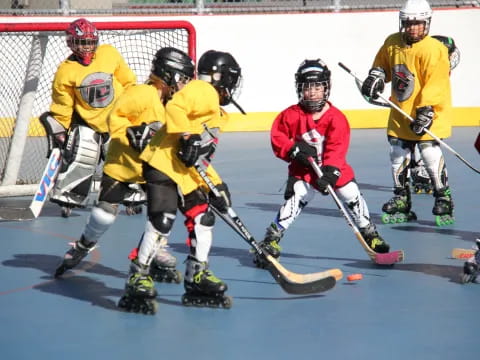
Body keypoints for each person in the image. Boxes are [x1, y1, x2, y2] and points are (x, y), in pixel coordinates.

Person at [117, 50, 243, 314]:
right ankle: (138, 275)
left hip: (185, 174)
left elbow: (199, 158)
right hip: (162, 164)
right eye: (231, 80)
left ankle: (197, 274)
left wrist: (217, 186)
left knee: (203, 218)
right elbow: (175, 107)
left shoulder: (217, 113)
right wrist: (187, 135)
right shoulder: (202, 90)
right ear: (220, 78)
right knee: (162, 218)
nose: (233, 88)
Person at [53, 47, 195, 281]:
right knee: (105, 213)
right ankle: (83, 245)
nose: (183, 85)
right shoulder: (141, 94)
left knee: (162, 211)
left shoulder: (174, 103)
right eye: (181, 79)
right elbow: (115, 118)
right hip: (123, 165)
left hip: (154, 167)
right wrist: (132, 131)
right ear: (167, 75)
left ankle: (153, 251)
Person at [253, 58, 390, 268]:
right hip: (305, 171)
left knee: (350, 193)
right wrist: (293, 150)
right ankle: (271, 238)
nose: (313, 92)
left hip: (333, 169)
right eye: (307, 87)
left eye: (318, 86)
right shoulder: (290, 115)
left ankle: (369, 232)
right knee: (298, 195)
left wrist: (331, 172)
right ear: (299, 89)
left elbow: (337, 147)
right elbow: (278, 138)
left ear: (327, 87)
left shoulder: (336, 118)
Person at [360, 0, 455, 226]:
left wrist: (426, 110)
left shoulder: (434, 49)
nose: (413, 27)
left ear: (427, 23)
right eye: (409, 23)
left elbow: (437, 82)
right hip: (401, 112)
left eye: (418, 23)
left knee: (429, 153)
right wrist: (376, 77)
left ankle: (443, 196)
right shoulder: (393, 43)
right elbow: (383, 64)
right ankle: (402, 197)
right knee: (397, 154)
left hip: (429, 113)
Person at [39, 18, 139, 218]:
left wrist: (134, 111)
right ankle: (70, 194)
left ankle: (131, 193)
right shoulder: (66, 71)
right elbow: (63, 104)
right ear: (71, 42)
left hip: (116, 119)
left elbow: (128, 82)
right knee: (82, 155)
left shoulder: (109, 54)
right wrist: (61, 128)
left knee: (124, 157)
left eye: (91, 42)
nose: (87, 47)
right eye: (82, 42)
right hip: (87, 122)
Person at [410, 34, 460, 195]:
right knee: (422, 138)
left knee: (427, 139)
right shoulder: (430, 65)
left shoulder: (440, 67)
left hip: (434, 109)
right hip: (422, 108)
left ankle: (420, 169)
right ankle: (420, 170)